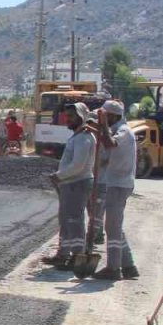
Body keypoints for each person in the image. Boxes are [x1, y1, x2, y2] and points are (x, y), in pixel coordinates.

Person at [42, 102, 96, 269]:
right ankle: (63, 254)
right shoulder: (77, 136)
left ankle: (77, 255)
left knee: (74, 220)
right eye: (67, 116)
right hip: (70, 183)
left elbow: (78, 166)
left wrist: (59, 176)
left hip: (77, 183)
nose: (67, 119)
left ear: (81, 117)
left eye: (71, 116)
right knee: (66, 220)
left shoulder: (84, 138)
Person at [89, 100, 139, 280]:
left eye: (106, 116)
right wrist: (96, 128)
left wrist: (102, 125)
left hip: (120, 183)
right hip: (115, 182)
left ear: (114, 116)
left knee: (112, 226)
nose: (103, 119)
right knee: (114, 225)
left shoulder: (124, 131)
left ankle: (113, 268)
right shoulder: (117, 129)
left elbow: (110, 143)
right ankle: (128, 265)